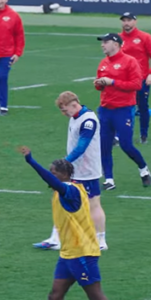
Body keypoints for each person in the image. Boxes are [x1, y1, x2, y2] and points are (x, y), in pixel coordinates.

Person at [8, 147, 130, 300]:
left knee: (96, 297)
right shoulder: (65, 190)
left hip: (82, 253)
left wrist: (31, 161)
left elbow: (53, 181)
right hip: (68, 253)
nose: (51, 176)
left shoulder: (70, 191)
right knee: (55, 295)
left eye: (53, 172)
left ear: (64, 175)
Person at [34, 91, 108, 251]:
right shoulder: (75, 117)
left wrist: (64, 162)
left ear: (74, 105)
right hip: (73, 170)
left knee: (94, 204)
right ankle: (56, 238)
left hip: (87, 171)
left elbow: (82, 146)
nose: (64, 114)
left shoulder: (88, 120)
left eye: (65, 110)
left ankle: (100, 240)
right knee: (60, 199)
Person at [94, 33, 151, 190]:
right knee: (104, 146)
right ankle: (109, 180)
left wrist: (112, 82)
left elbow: (136, 84)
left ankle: (143, 169)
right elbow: (100, 86)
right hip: (105, 109)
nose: (102, 45)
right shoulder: (103, 63)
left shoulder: (129, 62)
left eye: (106, 42)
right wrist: (99, 84)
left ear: (116, 44)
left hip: (123, 110)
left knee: (126, 145)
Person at [118, 12, 151, 144]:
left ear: (135, 22)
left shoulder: (144, 37)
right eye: (124, 20)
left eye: (129, 20)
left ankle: (144, 135)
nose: (126, 23)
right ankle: (119, 136)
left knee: (142, 107)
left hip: (141, 79)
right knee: (120, 107)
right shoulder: (118, 39)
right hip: (122, 80)